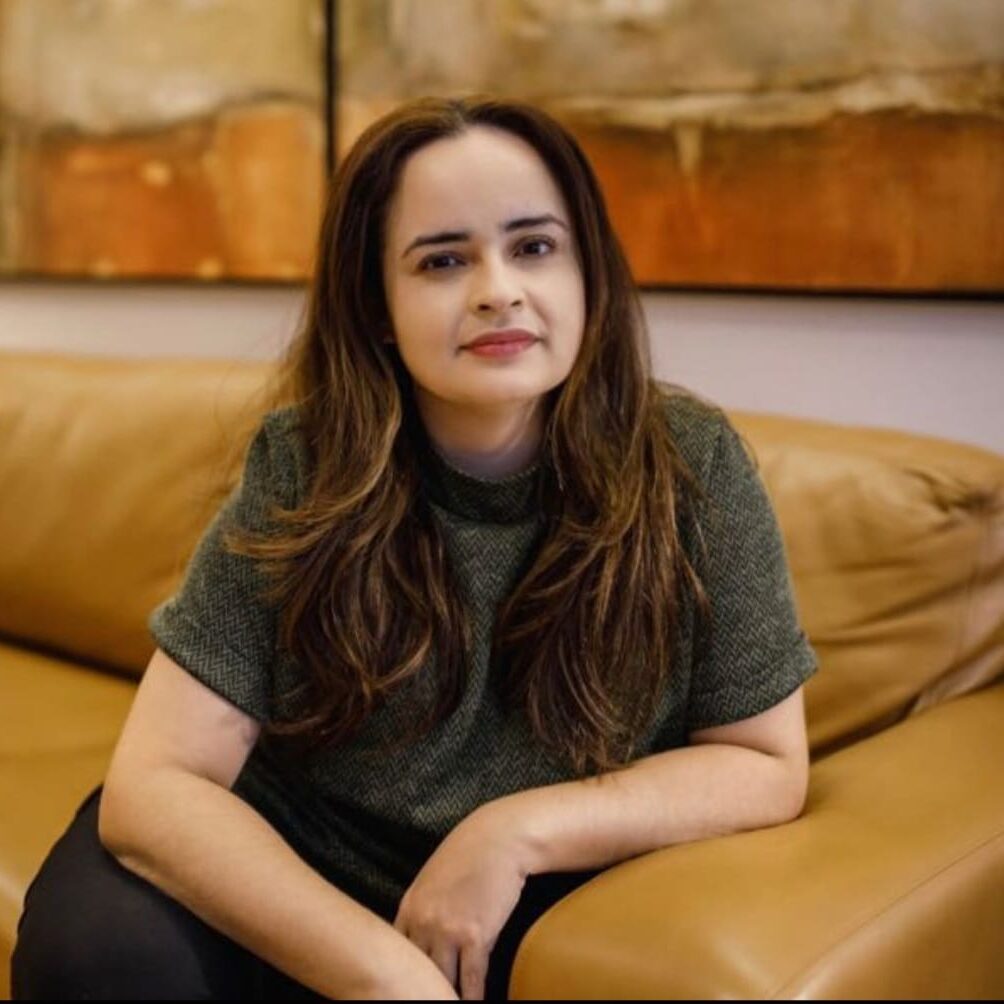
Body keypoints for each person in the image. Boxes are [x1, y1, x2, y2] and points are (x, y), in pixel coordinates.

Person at [11, 94, 818, 1000]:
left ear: (587, 271)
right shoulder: (308, 464)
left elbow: (765, 762)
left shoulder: (691, 465)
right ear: (379, 308)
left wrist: (512, 832)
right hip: (292, 865)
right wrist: (383, 972)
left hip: (522, 898)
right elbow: (156, 783)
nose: (498, 289)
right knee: (93, 958)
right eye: (442, 260)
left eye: (534, 247)